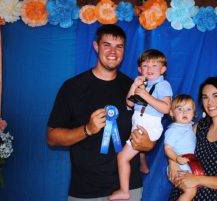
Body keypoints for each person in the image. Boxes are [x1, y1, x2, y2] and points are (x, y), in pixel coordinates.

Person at [47, 24, 155, 201]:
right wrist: (87, 130)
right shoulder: (72, 87)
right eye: (107, 45)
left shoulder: (135, 89)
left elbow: (147, 129)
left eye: (119, 46)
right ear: (96, 46)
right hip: (86, 191)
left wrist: (148, 144)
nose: (113, 51)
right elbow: (52, 138)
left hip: (128, 188)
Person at [109, 49, 173, 200]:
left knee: (122, 157)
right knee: (138, 149)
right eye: (145, 65)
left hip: (148, 126)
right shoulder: (143, 83)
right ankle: (143, 163)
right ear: (139, 69)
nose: (149, 69)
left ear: (163, 69)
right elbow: (129, 102)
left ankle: (124, 190)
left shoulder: (163, 84)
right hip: (139, 122)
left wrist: (145, 95)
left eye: (155, 65)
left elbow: (165, 108)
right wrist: (135, 85)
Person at [164, 94, 204, 201]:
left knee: (193, 190)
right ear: (172, 113)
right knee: (190, 191)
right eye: (180, 109)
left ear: (194, 114)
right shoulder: (173, 130)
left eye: (188, 109)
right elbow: (167, 148)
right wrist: (176, 159)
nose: (185, 112)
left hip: (189, 165)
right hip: (178, 167)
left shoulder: (190, 126)